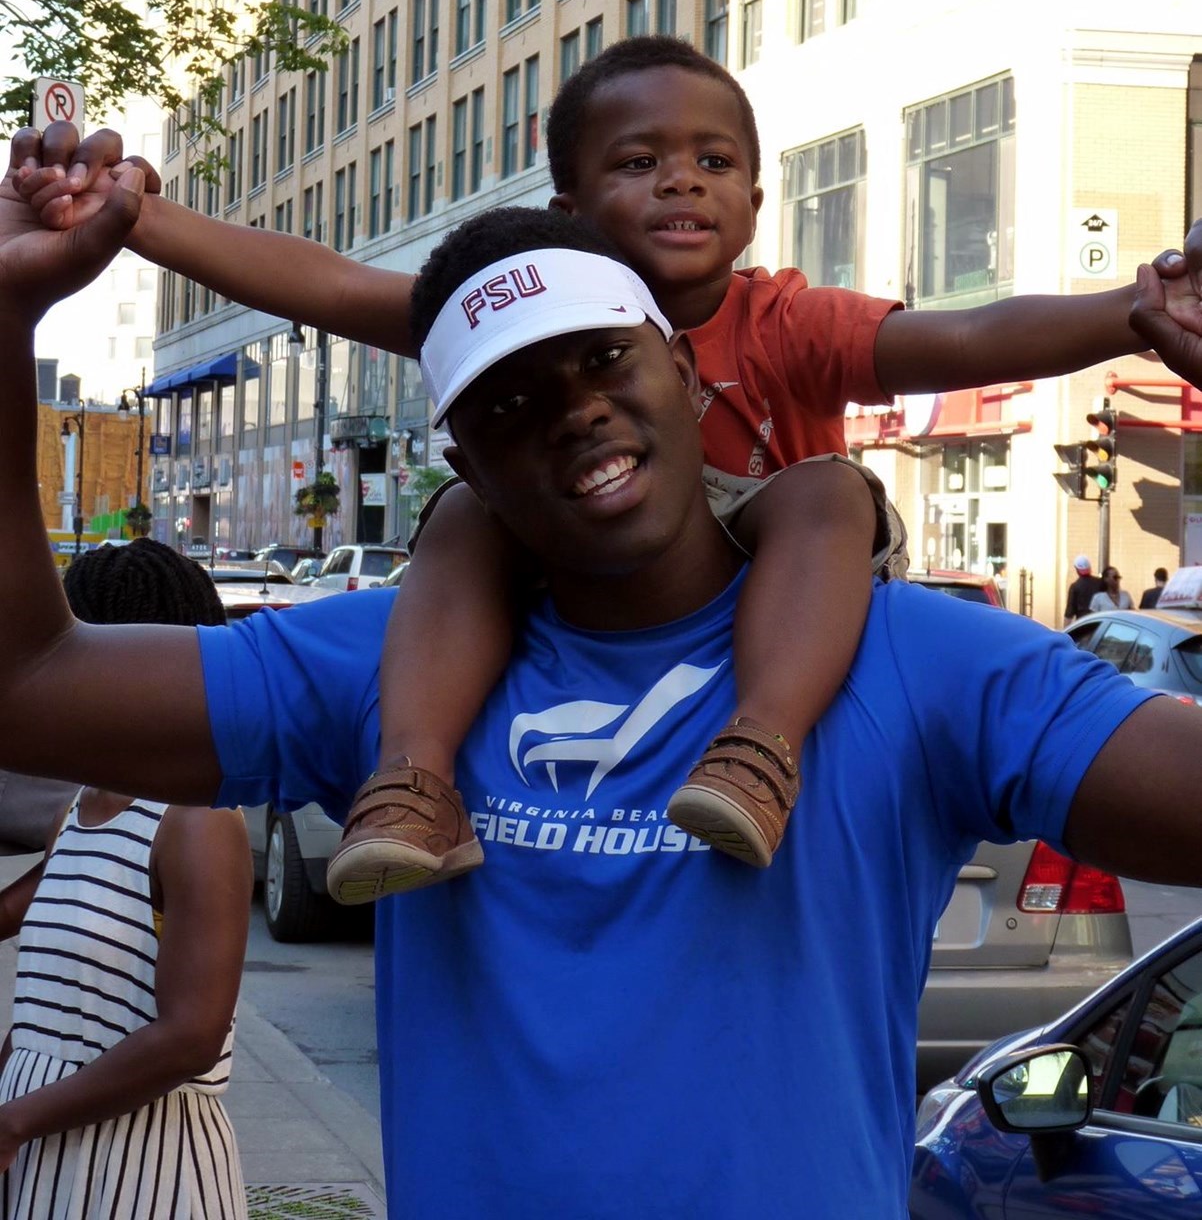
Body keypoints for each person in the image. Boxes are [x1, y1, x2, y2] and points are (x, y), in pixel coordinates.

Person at [5, 173, 1202, 1218]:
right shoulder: (383, 662)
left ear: (684, 373)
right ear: (460, 463)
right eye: (509, 400)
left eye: (602, 358)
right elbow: (33, 686)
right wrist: (8, 313)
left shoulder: (917, 660)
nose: (574, 406)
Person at [10, 39, 1199, 899]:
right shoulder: (503, 304)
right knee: (466, 521)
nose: (681, 179)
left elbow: (969, 336)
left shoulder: (786, 322)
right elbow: (324, 281)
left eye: (713, 160)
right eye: (640, 162)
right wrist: (130, 221)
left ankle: (760, 746)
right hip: (564, 569)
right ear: (569, 203)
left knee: (826, 492)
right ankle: (414, 780)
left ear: (752, 197)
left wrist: (1129, 311)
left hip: (779, 573)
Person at [0, 537, 251, 1220]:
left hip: (142, 1169)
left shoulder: (197, 819)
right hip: (48, 1158)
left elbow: (192, 1036)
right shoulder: (82, 807)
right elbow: (42, 990)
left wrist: (16, 1119)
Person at [1065, 554, 1106, 619]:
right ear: (1089, 568)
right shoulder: (1101, 583)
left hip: (1083, 624)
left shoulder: (1075, 586)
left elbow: (1069, 613)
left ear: (1077, 570)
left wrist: (1066, 628)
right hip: (1099, 621)